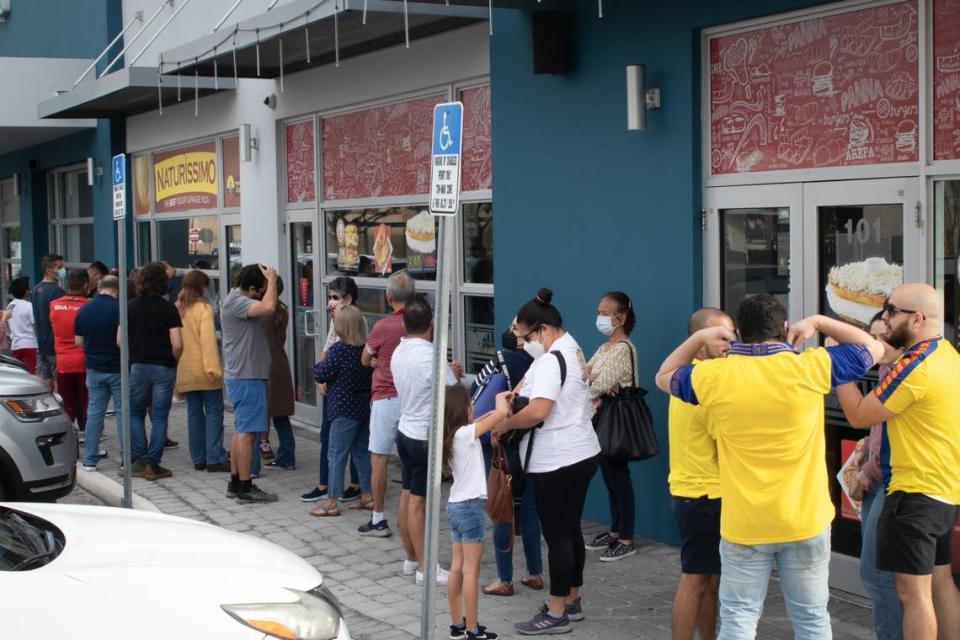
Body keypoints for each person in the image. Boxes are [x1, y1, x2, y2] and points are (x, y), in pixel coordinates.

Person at [656, 294, 884, 640]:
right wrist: (819, 322)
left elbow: (665, 376)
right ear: (785, 328)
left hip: (745, 524)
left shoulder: (716, 375)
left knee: (739, 620)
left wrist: (700, 339)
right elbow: (873, 348)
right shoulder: (810, 366)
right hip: (804, 520)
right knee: (811, 619)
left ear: (739, 335)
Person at [835, 284, 960, 640]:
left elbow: (859, 415)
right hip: (943, 491)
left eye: (891, 310)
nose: (885, 318)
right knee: (941, 584)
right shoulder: (948, 355)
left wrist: (839, 365)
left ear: (917, 319)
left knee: (914, 595)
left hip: (913, 495)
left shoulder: (914, 365)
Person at [493, 288, 601, 635]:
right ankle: (572, 598)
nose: (522, 344)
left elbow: (540, 410)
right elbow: (537, 379)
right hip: (581, 451)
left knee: (557, 536)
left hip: (558, 459)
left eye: (524, 337)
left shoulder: (553, 358)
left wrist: (504, 426)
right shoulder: (569, 347)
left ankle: (556, 613)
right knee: (569, 530)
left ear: (542, 330)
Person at [668, 308, 734, 640]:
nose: (730, 343)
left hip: (694, 493)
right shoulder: (705, 384)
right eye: (720, 338)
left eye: (732, 334)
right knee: (695, 579)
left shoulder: (688, 376)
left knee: (708, 579)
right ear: (697, 344)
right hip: (705, 496)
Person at [391, 297, 458, 585]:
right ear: (432, 324)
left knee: (407, 495)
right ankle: (425, 568)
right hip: (423, 437)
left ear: (404, 324)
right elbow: (453, 390)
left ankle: (411, 558)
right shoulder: (431, 356)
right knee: (418, 502)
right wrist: (453, 372)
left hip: (405, 430)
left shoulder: (399, 351)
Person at [472, 320, 542, 597]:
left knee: (503, 510)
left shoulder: (506, 363)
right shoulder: (547, 363)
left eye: (515, 329)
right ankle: (534, 573)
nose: (510, 333)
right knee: (529, 511)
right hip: (536, 448)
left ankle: (504, 578)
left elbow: (481, 406)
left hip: (507, 446)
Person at [847, 312, 903, 640]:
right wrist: (868, 446)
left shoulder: (903, 375)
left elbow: (895, 444)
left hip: (892, 483)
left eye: (884, 338)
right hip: (883, 479)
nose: (879, 346)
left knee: (878, 574)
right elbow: (882, 429)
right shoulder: (886, 370)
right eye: (873, 339)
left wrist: (867, 471)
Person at [443, 384, 506, 640]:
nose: (473, 407)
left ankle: (457, 624)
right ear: (463, 409)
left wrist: (487, 414)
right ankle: (473, 628)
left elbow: (483, 419)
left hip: (455, 506)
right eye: (470, 403)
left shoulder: (451, 434)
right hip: (470, 508)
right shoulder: (466, 434)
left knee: (457, 567)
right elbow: (499, 413)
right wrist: (503, 396)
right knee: (471, 571)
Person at [358, 270, 415, 538]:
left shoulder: (382, 327)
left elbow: (364, 358)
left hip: (385, 397)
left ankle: (378, 517)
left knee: (378, 458)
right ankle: (412, 517)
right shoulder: (423, 324)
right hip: (413, 398)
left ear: (389, 296)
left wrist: (376, 361)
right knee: (411, 459)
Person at [584, 291, 640, 562]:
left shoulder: (622, 349)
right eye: (599, 312)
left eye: (605, 313)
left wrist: (594, 379)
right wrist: (594, 379)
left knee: (619, 479)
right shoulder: (604, 348)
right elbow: (585, 374)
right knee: (610, 478)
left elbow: (594, 385)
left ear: (622, 317)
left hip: (616, 423)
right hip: (603, 420)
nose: (600, 317)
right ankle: (616, 530)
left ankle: (626, 537)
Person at [301, 276, 362, 503]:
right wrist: (321, 379)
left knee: (346, 441)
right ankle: (325, 483)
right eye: (329, 297)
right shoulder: (335, 321)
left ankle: (350, 487)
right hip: (334, 386)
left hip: (346, 391)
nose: (330, 303)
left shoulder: (353, 321)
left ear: (348, 299)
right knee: (328, 437)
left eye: (335, 298)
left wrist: (323, 373)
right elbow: (326, 349)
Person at [222, 263, 279, 504]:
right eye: (261, 290)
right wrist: (273, 279)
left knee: (242, 430)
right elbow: (268, 307)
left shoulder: (234, 300)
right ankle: (245, 485)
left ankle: (236, 482)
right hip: (247, 377)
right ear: (252, 288)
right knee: (247, 433)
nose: (264, 295)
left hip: (244, 375)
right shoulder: (238, 302)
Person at [310, 305, 374, 516]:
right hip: (363, 409)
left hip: (342, 410)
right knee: (361, 453)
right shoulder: (365, 350)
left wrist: (321, 361)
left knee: (336, 455)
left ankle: (331, 501)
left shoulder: (339, 351)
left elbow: (321, 373)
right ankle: (367, 495)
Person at [126, 262, 183, 481]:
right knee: (159, 416)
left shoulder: (130, 307)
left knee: (135, 413)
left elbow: (120, 339)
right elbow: (177, 343)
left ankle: (139, 459)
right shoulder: (169, 309)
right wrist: (173, 360)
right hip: (163, 367)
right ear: (164, 283)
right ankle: (153, 463)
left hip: (138, 366)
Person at [175, 270, 230, 473]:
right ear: (203, 287)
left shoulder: (177, 308)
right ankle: (214, 456)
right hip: (205, 371)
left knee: (194, 415)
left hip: (185, 371)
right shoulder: (203, 309)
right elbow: (208, 341)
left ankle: (198, 458)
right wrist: (214, 369)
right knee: (215, 412)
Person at [75, 276, 123, 472]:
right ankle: (125, 458)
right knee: (122, 413)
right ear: (116, 290)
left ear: (99, 288)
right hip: (118, 368)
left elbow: (78, 342)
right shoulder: (120, 309)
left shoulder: (84, 309)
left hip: (94, 368)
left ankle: (90, 459)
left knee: (94, 413)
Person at [260, 276, 297, 471]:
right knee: (280, 415)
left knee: (266, 412)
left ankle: (284, 455)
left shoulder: (265, 312)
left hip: (267, 366)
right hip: (279, 364)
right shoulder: (282, 308)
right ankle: (286, 454)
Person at [49, 269, 90, 437]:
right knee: (85, 404)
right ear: (86, 285)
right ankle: (88, 434)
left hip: (63, 363)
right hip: (84, 362)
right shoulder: (88, 305)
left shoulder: (54, 305)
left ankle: (67, 436)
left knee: (67, 404)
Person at [32, 254, 65, 389]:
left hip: (41, 343)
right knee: (58, 380)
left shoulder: (36, 289)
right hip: (55, 344)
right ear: (48, 270)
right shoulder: (57, 291)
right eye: (59, 267)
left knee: (46, 380)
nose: (62, 270)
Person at [8, 276, 37, 373]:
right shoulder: (29, 306)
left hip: (15, 345)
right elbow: (35, 326)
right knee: (31, 374)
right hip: (30, 345)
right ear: (26, 291)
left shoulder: (10, 306)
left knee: (19, 374)